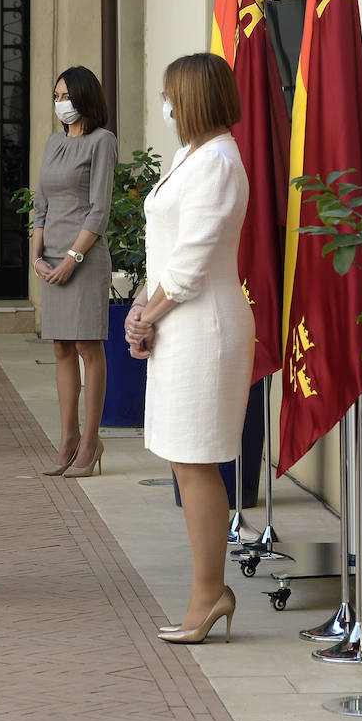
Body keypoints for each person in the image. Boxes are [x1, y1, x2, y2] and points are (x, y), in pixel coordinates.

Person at [125, 53, 251, 644]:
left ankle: (210, 594)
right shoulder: (189, 156)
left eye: (172, 94)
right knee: (183, 456)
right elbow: (167, 248)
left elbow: (195, 261)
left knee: (196, 458)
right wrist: (139, 309)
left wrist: (148, 315)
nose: (166, 105)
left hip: (204, 325)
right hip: (176, 317)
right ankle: (210, 590)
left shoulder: (220, 162)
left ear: (194, 98)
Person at [30, 66, 117, 478]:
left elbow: (100, 208)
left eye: (65, 94)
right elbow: (40, 205)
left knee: (87, 347)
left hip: (83, 259)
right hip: (51, 261)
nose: (59, 102)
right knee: (61, 348)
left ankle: (90, 442)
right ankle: (67, 438)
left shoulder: (102, 142)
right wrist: (37, 257)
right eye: (55, 94)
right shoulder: (52, 143)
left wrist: (71, 260)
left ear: (84, 97)